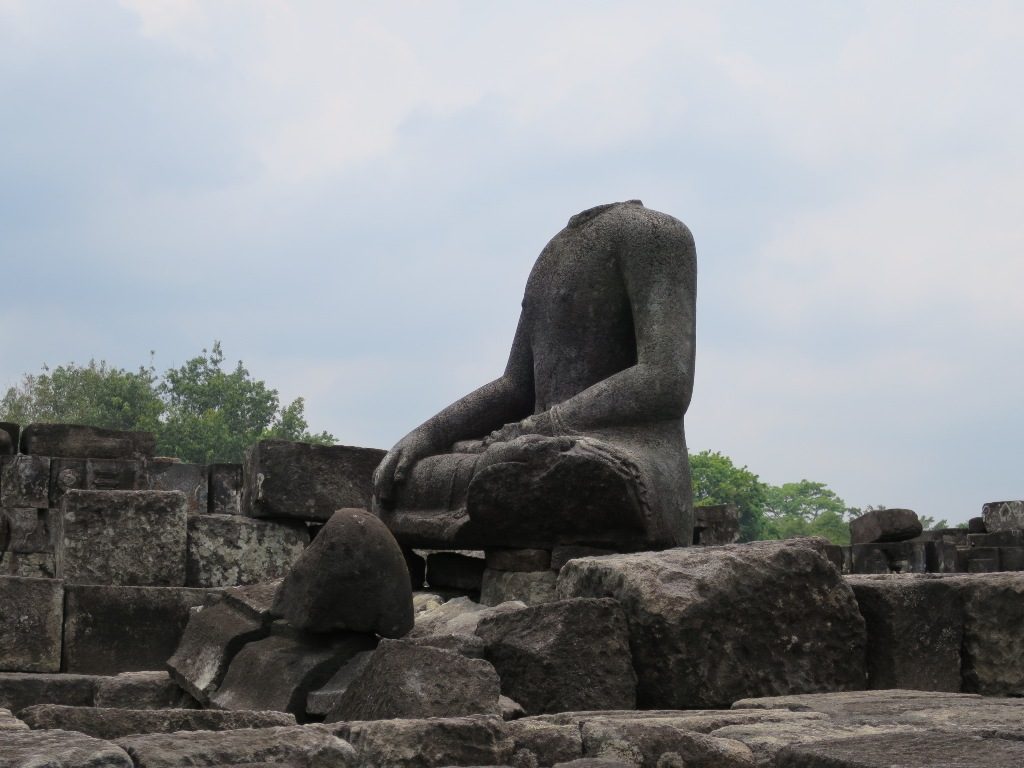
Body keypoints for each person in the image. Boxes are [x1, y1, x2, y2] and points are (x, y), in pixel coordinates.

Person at [373, 200, 696, 551]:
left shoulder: (656, 234)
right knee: (405, 479)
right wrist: (427, 435)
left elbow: (665, 380)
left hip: (620, 452)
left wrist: (539, 427)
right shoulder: (554, 254)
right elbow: (516, 386)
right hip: (532, 451)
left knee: (526, 464)